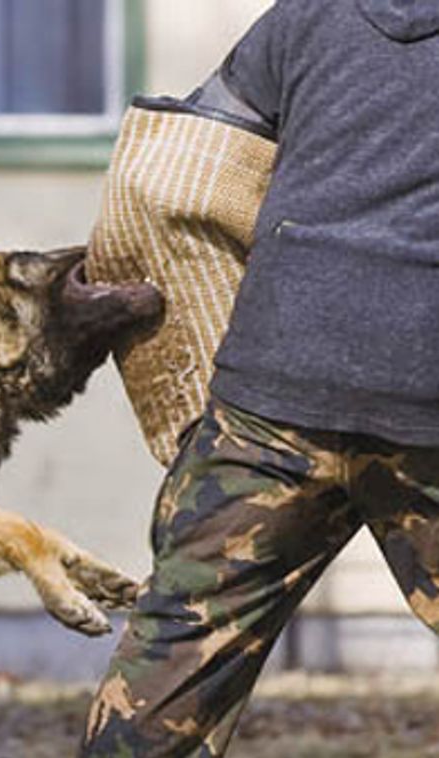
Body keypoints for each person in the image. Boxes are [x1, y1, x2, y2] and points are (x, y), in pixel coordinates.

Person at [80, 0, 439, 754]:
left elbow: (169, 175)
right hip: (424, 396)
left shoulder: (311, 14)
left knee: (173, 658)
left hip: (271, 390)